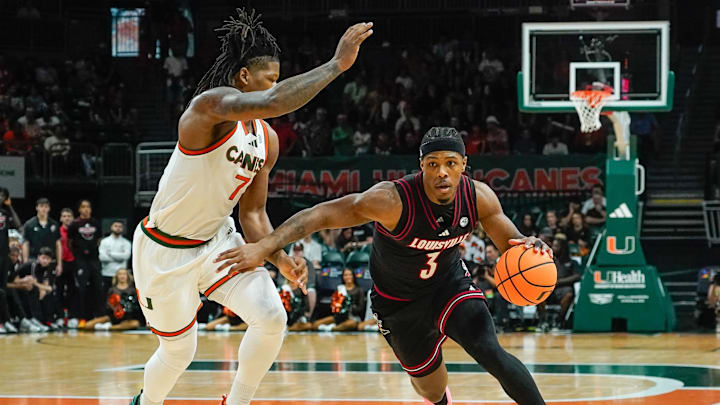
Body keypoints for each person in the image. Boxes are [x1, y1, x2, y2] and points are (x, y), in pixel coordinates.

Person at [128, 9, 373, 405]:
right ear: (244, 78)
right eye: (270, 79)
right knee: (179, 353)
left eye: (277, 79)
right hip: (164, 249)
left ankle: (237, 402)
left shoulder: (267, 140)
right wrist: (336, 65)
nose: (276, 87)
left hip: (218, 242)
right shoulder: (209, 108)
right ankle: (146, 402)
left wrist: (280, 258)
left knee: (272, 317)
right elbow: (276, 101)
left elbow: (253, 215)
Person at [218, 127, 550, 405]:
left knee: (489, 350)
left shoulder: (478, 197)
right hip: (398, 304)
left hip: (449, 287)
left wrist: (529, 244)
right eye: (433, 164)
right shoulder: (392, 201)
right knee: (430, 390)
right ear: (421, 165)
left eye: (451, 163)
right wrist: (265, 246)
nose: (442, 172)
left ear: (464, 164)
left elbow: (513, 242)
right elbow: (319, 215)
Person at [68, 200, 103, 323]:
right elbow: (70, 243)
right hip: (81, 260)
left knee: (98, 287)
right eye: (83, 207)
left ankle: (98, 316)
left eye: (88, 206)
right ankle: (81, 317)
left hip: (94, 260)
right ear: (79, 210)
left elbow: (99, 239)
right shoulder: (74, 224)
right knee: (81, 289)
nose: (86, 209)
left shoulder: (96, 223)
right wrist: (79, 254)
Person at [536, 235, 580, 330]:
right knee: (538, 294)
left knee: (568, 294)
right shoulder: (548, 260)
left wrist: (559, 282)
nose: (553, 248)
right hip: (549, 288)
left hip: (563, 289)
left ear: (562, 248)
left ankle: (559, 321)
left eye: (556, 246)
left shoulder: (572, 262)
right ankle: (543, 321)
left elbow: (577, 276)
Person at [22, 198, 62, 271]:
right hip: (34, 259)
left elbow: (58, 244)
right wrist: (25, 262)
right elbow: (25, 244)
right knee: (32, 281)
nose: (44, 209)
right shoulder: (29, 224)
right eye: (41, 206)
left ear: (49, 208)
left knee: (49, 282)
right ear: (37, 207)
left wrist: (59, 264)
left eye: (46, 207)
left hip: (50, 260)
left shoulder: (54, 224)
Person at [57, 208, 78, 327]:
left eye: (69, 216)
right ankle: (60, 316)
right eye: (64, 216)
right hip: (61, 263)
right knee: (59, 291)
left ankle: (72, 317)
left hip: (73, 263)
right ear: (61, 218)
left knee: (73, 291)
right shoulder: (57, 231)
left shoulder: (76, 231)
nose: (67, 218)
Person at [98, 220, 132, 292]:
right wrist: (120, 257)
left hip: (121, 275)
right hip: (107, 273)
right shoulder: (104, 241)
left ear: (122, 229)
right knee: (106, 297)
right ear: (111, 227)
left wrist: (110, 254)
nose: (118, 228)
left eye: (120, 226)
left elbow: (126, 256)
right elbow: (102, 257)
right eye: (116, 226)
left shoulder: (126, 242)